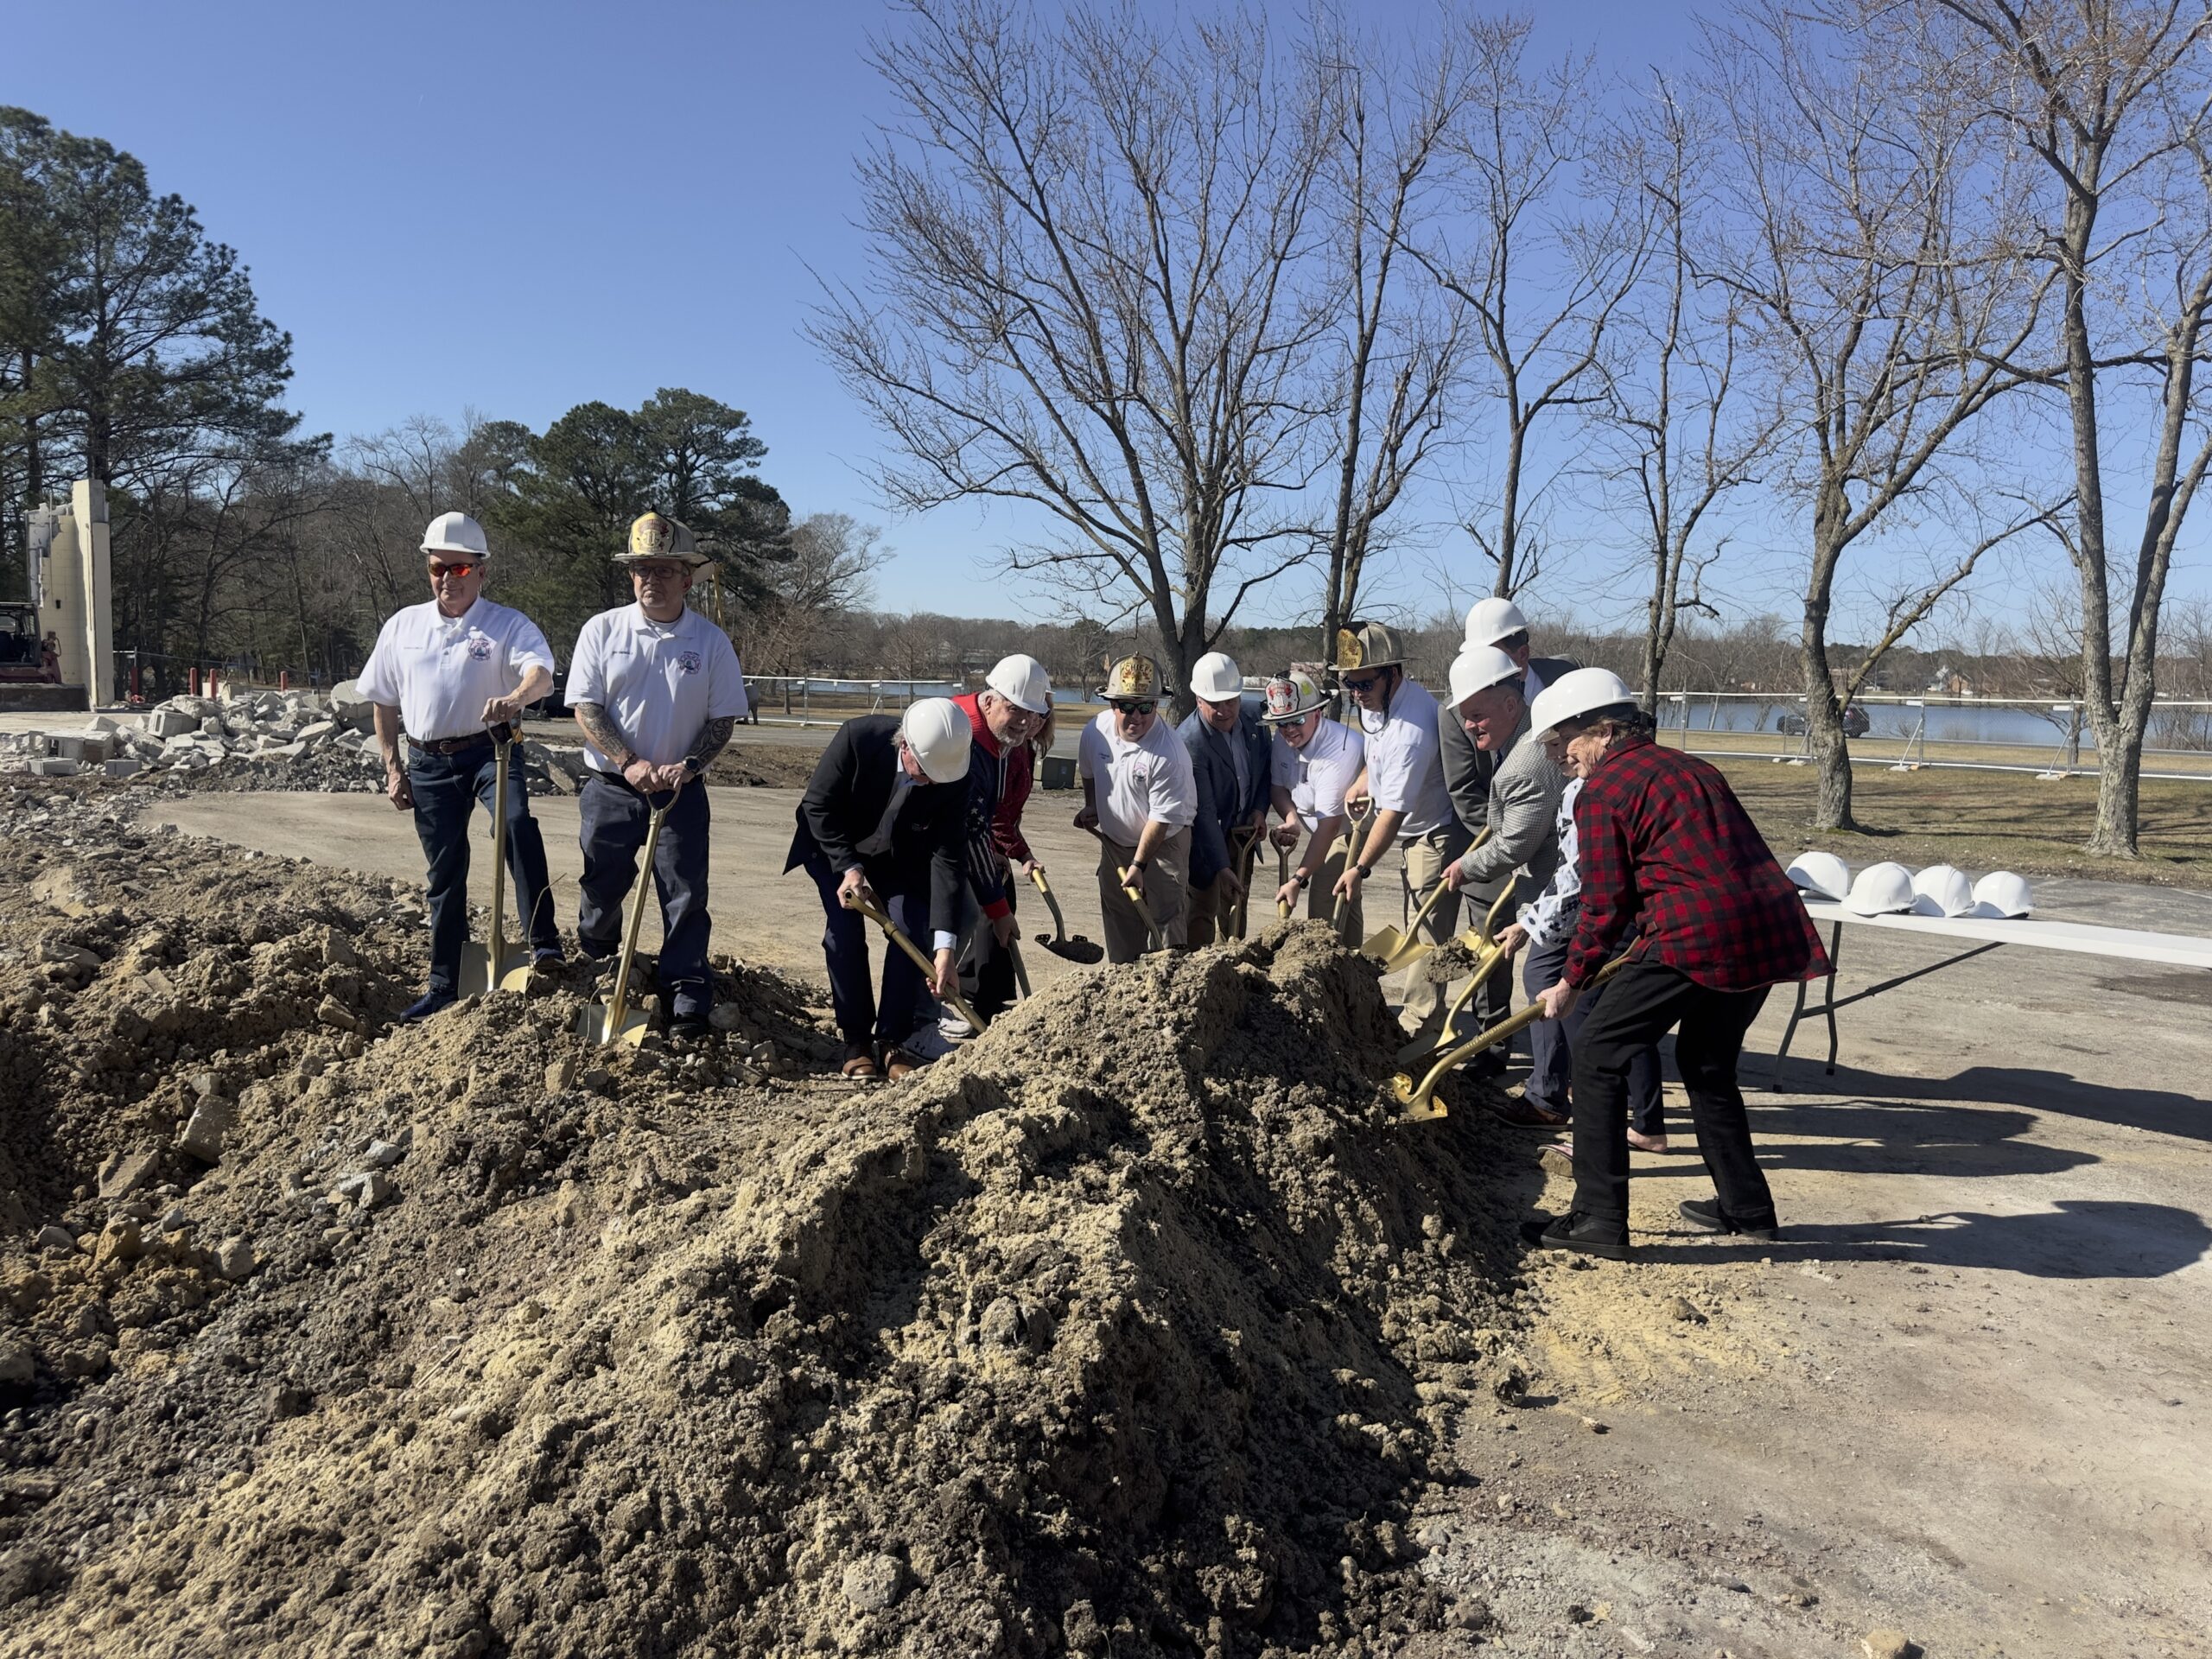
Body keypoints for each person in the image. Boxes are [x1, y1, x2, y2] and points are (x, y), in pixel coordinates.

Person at [1521, 667, 1831, 1262]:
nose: (1562, 761)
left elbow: (1603, 904)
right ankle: (1747, 1209)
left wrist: (1571, 979)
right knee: (1706, 1061)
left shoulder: (1605, 791)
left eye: (1563, 745)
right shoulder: (1691, 767)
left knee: (1595, 1054)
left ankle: (1598, 1219)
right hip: (1767, 925)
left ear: (1603, 730)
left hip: (1700, 930)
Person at [358, 511, 563, 1022]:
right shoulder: (403, 626)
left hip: (491, 750)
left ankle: (544, 944)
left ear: (481, 571)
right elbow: (383, 701)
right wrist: (392, 767)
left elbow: (541, 675)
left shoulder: (506, 624)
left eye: (461, 569)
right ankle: (443, 983)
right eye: (438, 567)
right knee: (444, 873)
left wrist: (514, 697)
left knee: (515, 825)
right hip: (427, 761)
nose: (449, 578)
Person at [566, 512, 749, 1039]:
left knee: (685, 892)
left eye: (666, 570)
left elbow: (722, 718)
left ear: (687, 578)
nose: (653, 579)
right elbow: (587, 707)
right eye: (644, 569)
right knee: (602, 883)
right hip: (611, 787)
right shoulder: (602, 631)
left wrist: (688, 766)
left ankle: (687, 993)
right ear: (631, 575)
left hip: (681, 792)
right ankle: (601, 970)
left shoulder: (710, 642)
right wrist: (630, 762)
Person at [787, 699, 972, 1079]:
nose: (930, 783)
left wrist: (945, 949)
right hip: (834, 849)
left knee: (911, 924)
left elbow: (948, 859)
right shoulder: (858, 738)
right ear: (904, 745)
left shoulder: (952, 773)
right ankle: (856, 1039)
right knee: (845, 929)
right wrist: (849, 868)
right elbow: (817, 807)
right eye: (924, 772)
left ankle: (892, 1040)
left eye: (937, 777)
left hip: (896, 858)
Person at [1495, 766, 1668, 1148]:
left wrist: (1532, 924)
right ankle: (1647, 1123)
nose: (1559, 757)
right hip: (1633, 912)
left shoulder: (1590, 792)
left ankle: (1592, 1126)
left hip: (1612, 916)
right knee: (1626, 1018)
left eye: (1561, 746)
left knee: (1591, 1024)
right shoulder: (1630, 780)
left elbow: (1576, 875)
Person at [1439, 599, 1576, 1037]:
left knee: (1544, 977)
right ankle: (1504, 1053)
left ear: (1522, 652)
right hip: (1508, 842)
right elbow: (1465, 788)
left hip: (1555, 861)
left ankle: (1556, 1085)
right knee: (1517, 961)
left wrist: (1483, 860)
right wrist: (1491, 851)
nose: (1471, 724)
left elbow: (1521, 837)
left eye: (1505, 651)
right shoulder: (1467, 712)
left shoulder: (1562, 686)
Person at [1332, 621, 1468, 1038]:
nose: (1357, 694)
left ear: (1393, 673)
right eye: (1349, 685)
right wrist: (1361, 781)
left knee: (1427, 934)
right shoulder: (1378, 706)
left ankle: (1417, 1028)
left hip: (1435, 836)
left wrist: (1361, 868)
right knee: (1416, 928)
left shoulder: (1414, 729)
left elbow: (1390, 815)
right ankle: (1418, 1016)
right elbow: (1376, 755)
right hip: (1414, 831)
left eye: (1365, 684)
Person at [947, 654, 1053, 1030]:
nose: (1024, 722)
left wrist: (1018, 853)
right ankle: (937, 1012)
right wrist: (997, 907)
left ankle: (981, 1003)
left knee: (991, 907)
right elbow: (972, 827)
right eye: (1015, 709)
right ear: (990, 700)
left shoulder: (1009, 741)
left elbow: (1001, 812)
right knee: (956, 921)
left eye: (1032, 714)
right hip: (936, 847)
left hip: (975, 841)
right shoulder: (966, 738)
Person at [1076, 654, 1198, 963]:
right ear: (1112, 704)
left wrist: (1139, 865)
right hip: (1115, 844)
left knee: (1165, 923)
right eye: (1127, 706)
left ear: (1157, 706)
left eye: (1147, 707)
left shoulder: (1169, 753)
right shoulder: (1095, 732)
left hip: (1164, 846)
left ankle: (1169, 990)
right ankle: (1123, 987)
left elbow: (1160, 818)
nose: (1137, 716)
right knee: (1119, 917)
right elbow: (1089, 772)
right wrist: (1092, 806)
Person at [1179, 651, 1272, 947]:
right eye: (1214, 704)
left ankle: (1232, 969)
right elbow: (1204, 811)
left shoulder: (1255, 717)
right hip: (1204, 840)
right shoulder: (1191, 742)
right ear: (1198, 700)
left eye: (1230, 701)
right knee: (1202, 909)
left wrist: (1259, 809)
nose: (1224, 711)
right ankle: (1196, 969)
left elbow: (1265, 769)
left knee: (1236, 907)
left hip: (1242, 832)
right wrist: (1221, 866)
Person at [1262, 669, 1364, 931]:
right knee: (1344, 906)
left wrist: (1298, 879)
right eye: (1282, 723)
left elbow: (1330, 826)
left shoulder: (1338, 751)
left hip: (1348, 830)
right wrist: (1291, 818)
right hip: (1322, 827)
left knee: (1323, 910)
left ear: (1317, 714)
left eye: (1297, 720)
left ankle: (1331, 967)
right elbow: (1277, 788)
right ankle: (1353, 966)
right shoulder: (1284, 738)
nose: (1289, 730)